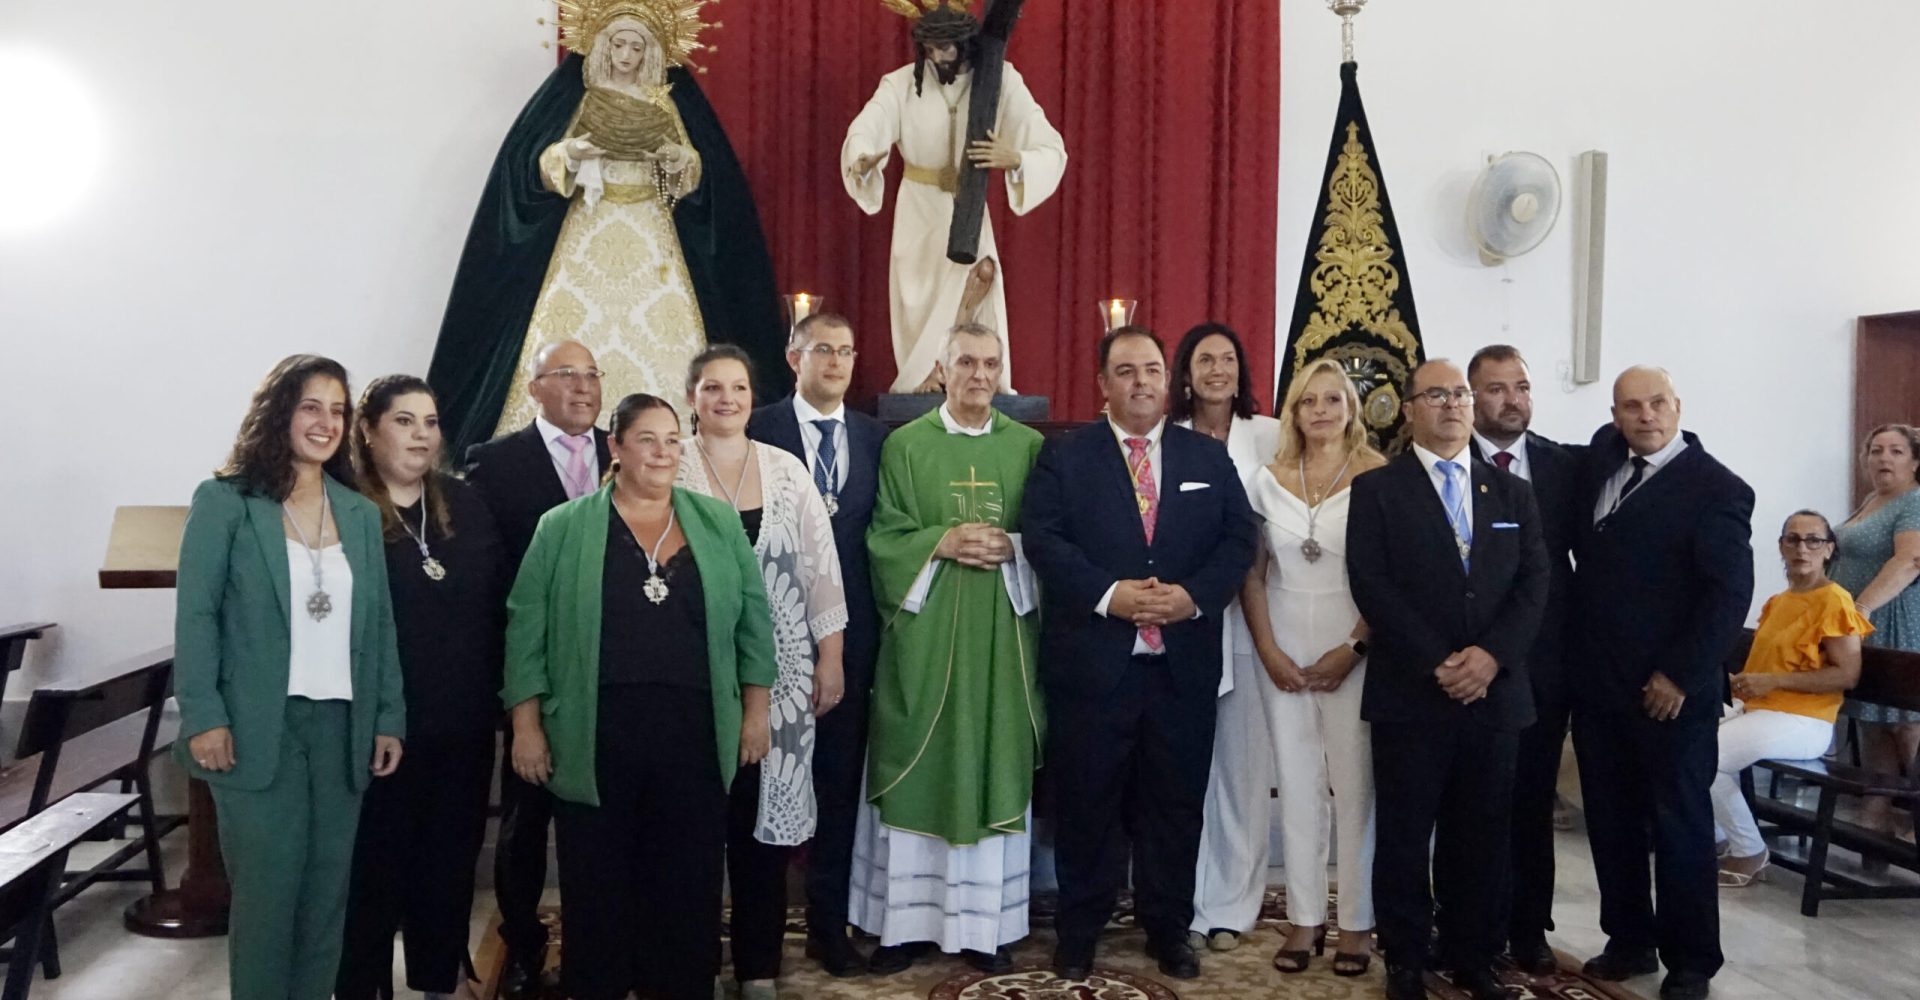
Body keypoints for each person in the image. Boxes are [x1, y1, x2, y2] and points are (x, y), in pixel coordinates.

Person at [501, 393, 777, 1000]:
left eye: (673, 440)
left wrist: (756, 712)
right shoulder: (563, 526)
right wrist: (526, 726)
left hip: (697, 732)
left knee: (686, 880)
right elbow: (526, 631)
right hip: (594, 731)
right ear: (616, 448)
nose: (662, 452)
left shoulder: (717, 521)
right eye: (647, 439)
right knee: (598, 880)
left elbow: (755, 625)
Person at [428, 0, 784, 458]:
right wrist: (570, 154)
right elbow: (535, 161)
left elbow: (700, 168)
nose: (627, 54)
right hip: (587, 230)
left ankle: (674, 449)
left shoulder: (666, 100)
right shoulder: (580, 96)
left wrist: (679, 161)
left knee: (666, 333)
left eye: (638, 46)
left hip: (653, 234)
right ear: (601, 45)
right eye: (619, 43)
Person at [1025, 326, 1257, 982]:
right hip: (1094, 668)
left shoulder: (1207, 458)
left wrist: (1192, 598)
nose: (1141, 382)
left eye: (1152, 369)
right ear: (1103, 383)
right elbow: (1043, 538)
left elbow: (1240, 540)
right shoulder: (1067, 458)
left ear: (1169, 379)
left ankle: (1168, 927)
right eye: (1125, 371)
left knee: (1175, 805)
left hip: (1181, 667)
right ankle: (1079, 929)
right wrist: (1109, 595)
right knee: (1087, 803)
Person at [174, 355, 406, 1000]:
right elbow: (195, 614)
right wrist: (204, 714)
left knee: (326, 899)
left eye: (337, 409)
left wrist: (389, 716)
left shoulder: (358, 513)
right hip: (254, 725)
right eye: (311, 406)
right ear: (278, 411)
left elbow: (379, 625)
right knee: (268, 898)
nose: (326, 421)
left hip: (342, 727)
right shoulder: (226, 501)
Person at [1345, 359, 1548, 1000]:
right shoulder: (1379, 490)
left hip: (1494, 696)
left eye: (1459, 393)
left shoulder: (1511, 490)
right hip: (1412, 692)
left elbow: (1534, 581)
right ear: (1409, 410)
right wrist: (1438, 661)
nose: (1453, 405)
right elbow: (1371, 584)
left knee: (1482, 834)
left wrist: (1491, 657)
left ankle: (1473, 955)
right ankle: (1405, 957)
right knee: (1405, 834)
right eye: (1436, 395)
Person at [850, 324, 1045, 974]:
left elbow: (1053, 535)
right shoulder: (905, 446)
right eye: (966, 362)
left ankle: (986, 928)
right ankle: (903, 928)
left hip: (1001, 641)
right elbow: (883, 536)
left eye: (991, 364)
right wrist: (938, 542)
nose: (979, 375)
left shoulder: (1030, 448)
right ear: (942, 369)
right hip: (927, 643)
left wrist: (1013, 547)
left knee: (993, 758)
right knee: (916, 761)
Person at [1569, 366, 1754, 1000]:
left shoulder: (1718, 488)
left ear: (1677, 407)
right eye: (1631, 407)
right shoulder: (1603, 463)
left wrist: (1679, 674)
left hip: (1672, 693)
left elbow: (1727, 595)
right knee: (1612, 820)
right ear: (1615, 415)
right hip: (1599, 687)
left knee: (1679, 826)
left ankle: (1691, 961)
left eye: (1656, 404)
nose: (1645, 416)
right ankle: (1628, 940)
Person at [677, 345, 848, 1000]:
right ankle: (693, 965)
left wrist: (830, 657)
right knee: (693, 833)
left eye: (739, 387)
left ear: (754, 396)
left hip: (782, 681)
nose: (727, 398)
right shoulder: (673, 467)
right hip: (693, 677)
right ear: (692, 396)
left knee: (760, 838)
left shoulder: (784, 472)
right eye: (712, 387)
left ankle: (757, 970)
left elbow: (820, 569)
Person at [337, 377, 506, 1000]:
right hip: (379, 725)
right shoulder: (344, 507)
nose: (420, 435)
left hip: (461, 721)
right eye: (404, 421)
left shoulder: (465, 503)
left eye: (430, 422)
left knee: (449, 859)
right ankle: (360, 986)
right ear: (369, 429)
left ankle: (439, 976)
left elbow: (496, 603)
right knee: (374, 867)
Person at [462, 338, 611, 996]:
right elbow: (490, 585)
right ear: (535, 387)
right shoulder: (493, 466)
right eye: (566, 375)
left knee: (606, 818)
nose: (583, 387)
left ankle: (608, 944)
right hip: (537, 677)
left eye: (592, 375)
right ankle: (524, 945)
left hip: (615, 674)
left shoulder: (626, 450)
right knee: (528, 821)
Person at [746, 313, 890, 976]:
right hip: (767, 640)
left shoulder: (875, 436)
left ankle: (828, 929)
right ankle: (760, 940)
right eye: (822, 349)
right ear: (793, 356)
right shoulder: (757, 428)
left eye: (845, 350)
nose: (835, 361)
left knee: (835, 785)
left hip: (849, 642)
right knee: (763, 785)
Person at [1239, 357, 1383, 976]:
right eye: (1308, 401)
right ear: (1293, 412)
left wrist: (1353, 647)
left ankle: (1355, 922)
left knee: (1354, 789)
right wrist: (1268, 649)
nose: (1321, 410)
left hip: (1353, 643)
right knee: (1296, 786)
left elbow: (1392, 576)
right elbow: (1252, 572)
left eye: (1333, 399)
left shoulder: (1379, 476)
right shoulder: (1265, 479)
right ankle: (1304, 920)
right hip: (1282, 641)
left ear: (1351, 408)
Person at [843, 2, 1068, 393]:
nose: (937, 57)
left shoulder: (1000, 79)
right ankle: (923, 380)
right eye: (929, 48)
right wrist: (862, 159)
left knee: (978, 283)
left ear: (966, 43)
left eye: (945, 48)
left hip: (967, 207)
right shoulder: (899, 84)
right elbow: (867, 127)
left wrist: (1015, 158)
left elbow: (1050, 146)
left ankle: (975, 382)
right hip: (918, 207)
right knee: (920, 298)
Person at [1464, 344, 1581, 974]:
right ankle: (1460, 922)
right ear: (1471, 397)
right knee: (1468, 803)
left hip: (1542, 664)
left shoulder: (1565, 466)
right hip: (1465, 664)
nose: (1512, 399)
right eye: (1496, 388)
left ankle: (1529, 925)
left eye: (1522, 387)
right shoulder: (1444, 463)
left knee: (1531, 801)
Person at [1170, 323, 1283, 954]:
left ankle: (1231, 908)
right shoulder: (1170, 439)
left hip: (1253, 616)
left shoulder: (1267, 436)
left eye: (1229, 359)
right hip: (1184, 617)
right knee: (1188, 769)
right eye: (1205, 359)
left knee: (1243, 767)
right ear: (1185, 373)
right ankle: (1182, 898)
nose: (1218, 369)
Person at [1715, 511, 1870, 886]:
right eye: (1793, 540)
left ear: (1829, 549)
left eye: (1813, 540)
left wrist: (1772, 681)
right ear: (1781, 547)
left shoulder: (1834, 599)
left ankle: (1749, 849)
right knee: (1680, 738)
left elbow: (1847, 674)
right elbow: (1766, 669)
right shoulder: (1778, 601)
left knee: (1705, 757)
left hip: (1805, 719)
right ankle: (1716, 840)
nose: (1803, 548)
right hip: (1763, 711)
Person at [1829, 424, 1920, 848]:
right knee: (1872, 718)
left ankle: (1912, 820)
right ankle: (1875, 816)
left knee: (1905, 722)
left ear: (1914, 460)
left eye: (1896, 451)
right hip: (1858, 624)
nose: (1884, 458)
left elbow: (1910, 562)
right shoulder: (1873, 500)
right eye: (1876, 450)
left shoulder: (1915, 501)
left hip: (1897, 620)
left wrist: (1860, 609)